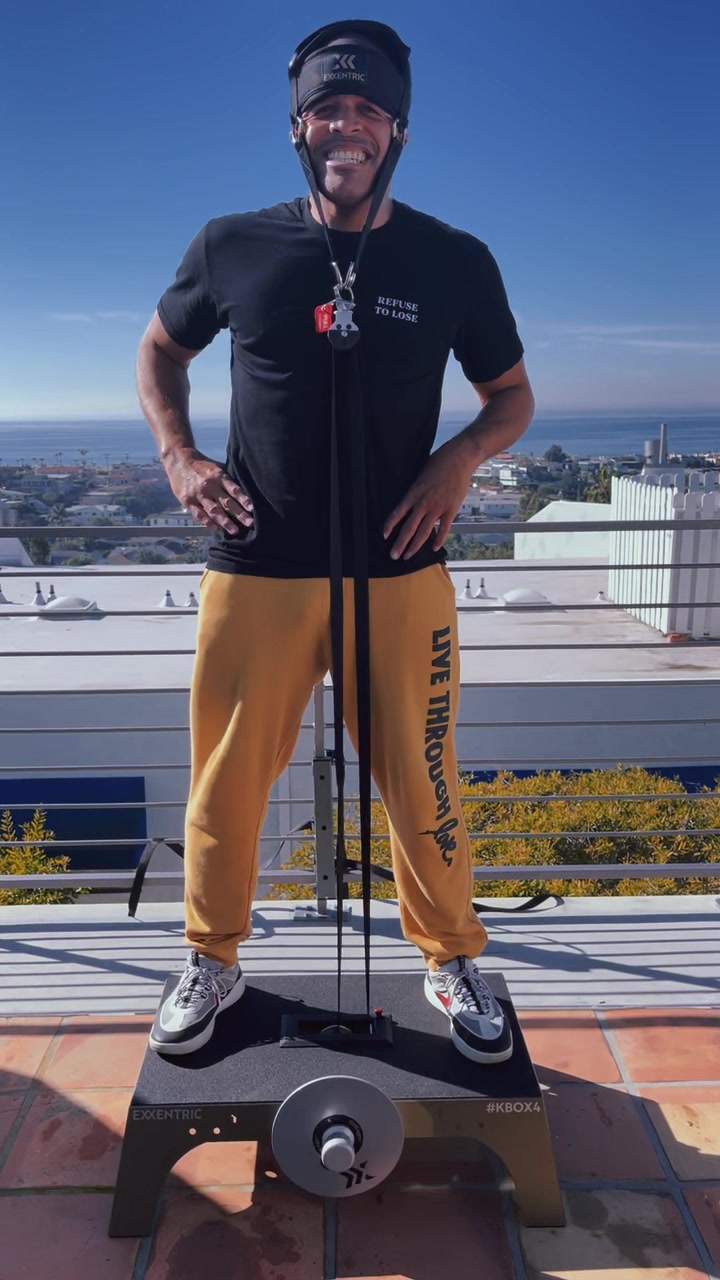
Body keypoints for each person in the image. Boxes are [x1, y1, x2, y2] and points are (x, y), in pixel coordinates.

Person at [139, 20, 534, 1064]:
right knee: (227, 781)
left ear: (398, 128)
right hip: (257, 566)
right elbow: (159, 351)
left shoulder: (454, 260)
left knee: (425, 780)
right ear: (297, 126)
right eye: (326, 107)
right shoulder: (232, 243)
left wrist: (460, 461)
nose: (344, 124)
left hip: (400, 569)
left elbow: (511, 397)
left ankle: (450, 957)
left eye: (367, 108)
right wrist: (179, 457)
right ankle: (212, 957)